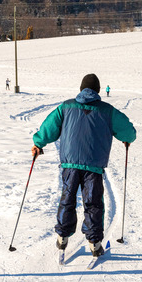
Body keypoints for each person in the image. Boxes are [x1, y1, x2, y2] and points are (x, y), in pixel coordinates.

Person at [31, 74, 136, 256]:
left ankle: (62, 237)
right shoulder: (107, 110)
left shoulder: (66, 106)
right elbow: (128, 131)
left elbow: (49, 128)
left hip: (70, 164)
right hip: (94, 166)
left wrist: (38, 143)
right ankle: (94, 243)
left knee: (68, 199)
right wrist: (126, 139)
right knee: (93, 203)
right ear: (98, 90)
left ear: (81, 89)